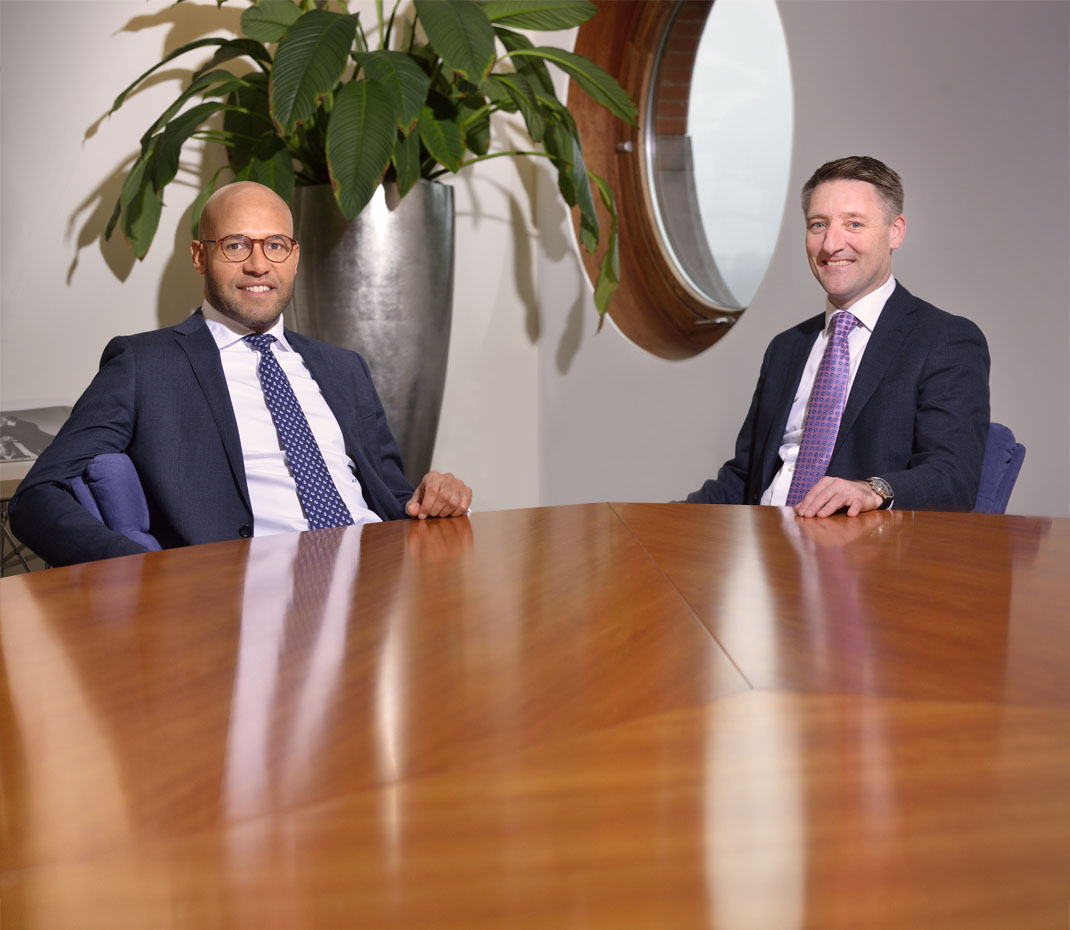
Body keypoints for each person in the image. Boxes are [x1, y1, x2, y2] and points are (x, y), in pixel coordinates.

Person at [10, 181, 472, 566]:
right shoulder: (144, 365)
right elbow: (36, 497)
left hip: (382, 576)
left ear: (294, 257)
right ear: (199, 256)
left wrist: (433, 497)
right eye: (235, 245)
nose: (258, 264)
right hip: (246, 598)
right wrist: (135, 571)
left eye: (275, 245)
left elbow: (393, 496)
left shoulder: (343, 368)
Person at [685, 156, 990, 517]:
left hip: (857, 545)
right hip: (762, 538)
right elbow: (744, 478)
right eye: (818, 225)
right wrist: (656, 520)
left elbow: (953, 478)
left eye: (854, 224)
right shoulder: (786, 347)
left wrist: (873, 489)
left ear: (895, 231)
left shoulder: (945, 340)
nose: (831, 244)